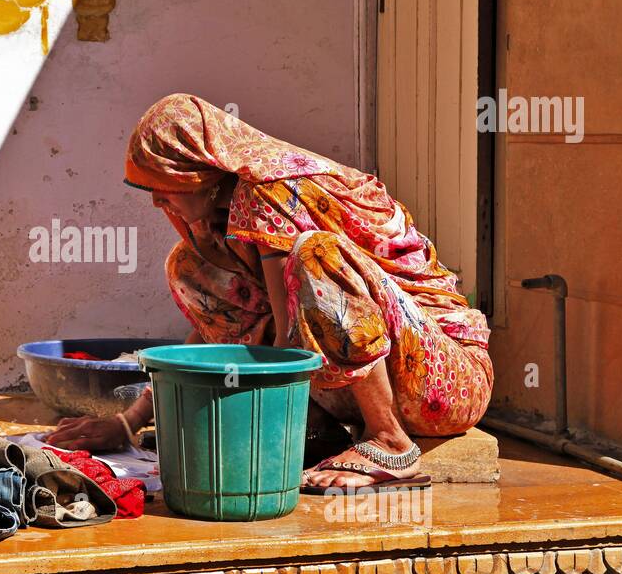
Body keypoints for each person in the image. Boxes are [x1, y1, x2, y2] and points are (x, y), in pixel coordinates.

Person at [44, 94, 493, 492]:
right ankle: (319, 431)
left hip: (445, 383)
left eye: (163, 189)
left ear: (199, 173)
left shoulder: (269, 190)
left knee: (316, 254)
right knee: (188, 266)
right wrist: (129, 421)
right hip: (358, 388)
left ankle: (390, 442)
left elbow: (284, 345)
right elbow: (219, 331)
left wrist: (265, 438)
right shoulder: (222, 224)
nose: (157, 203)